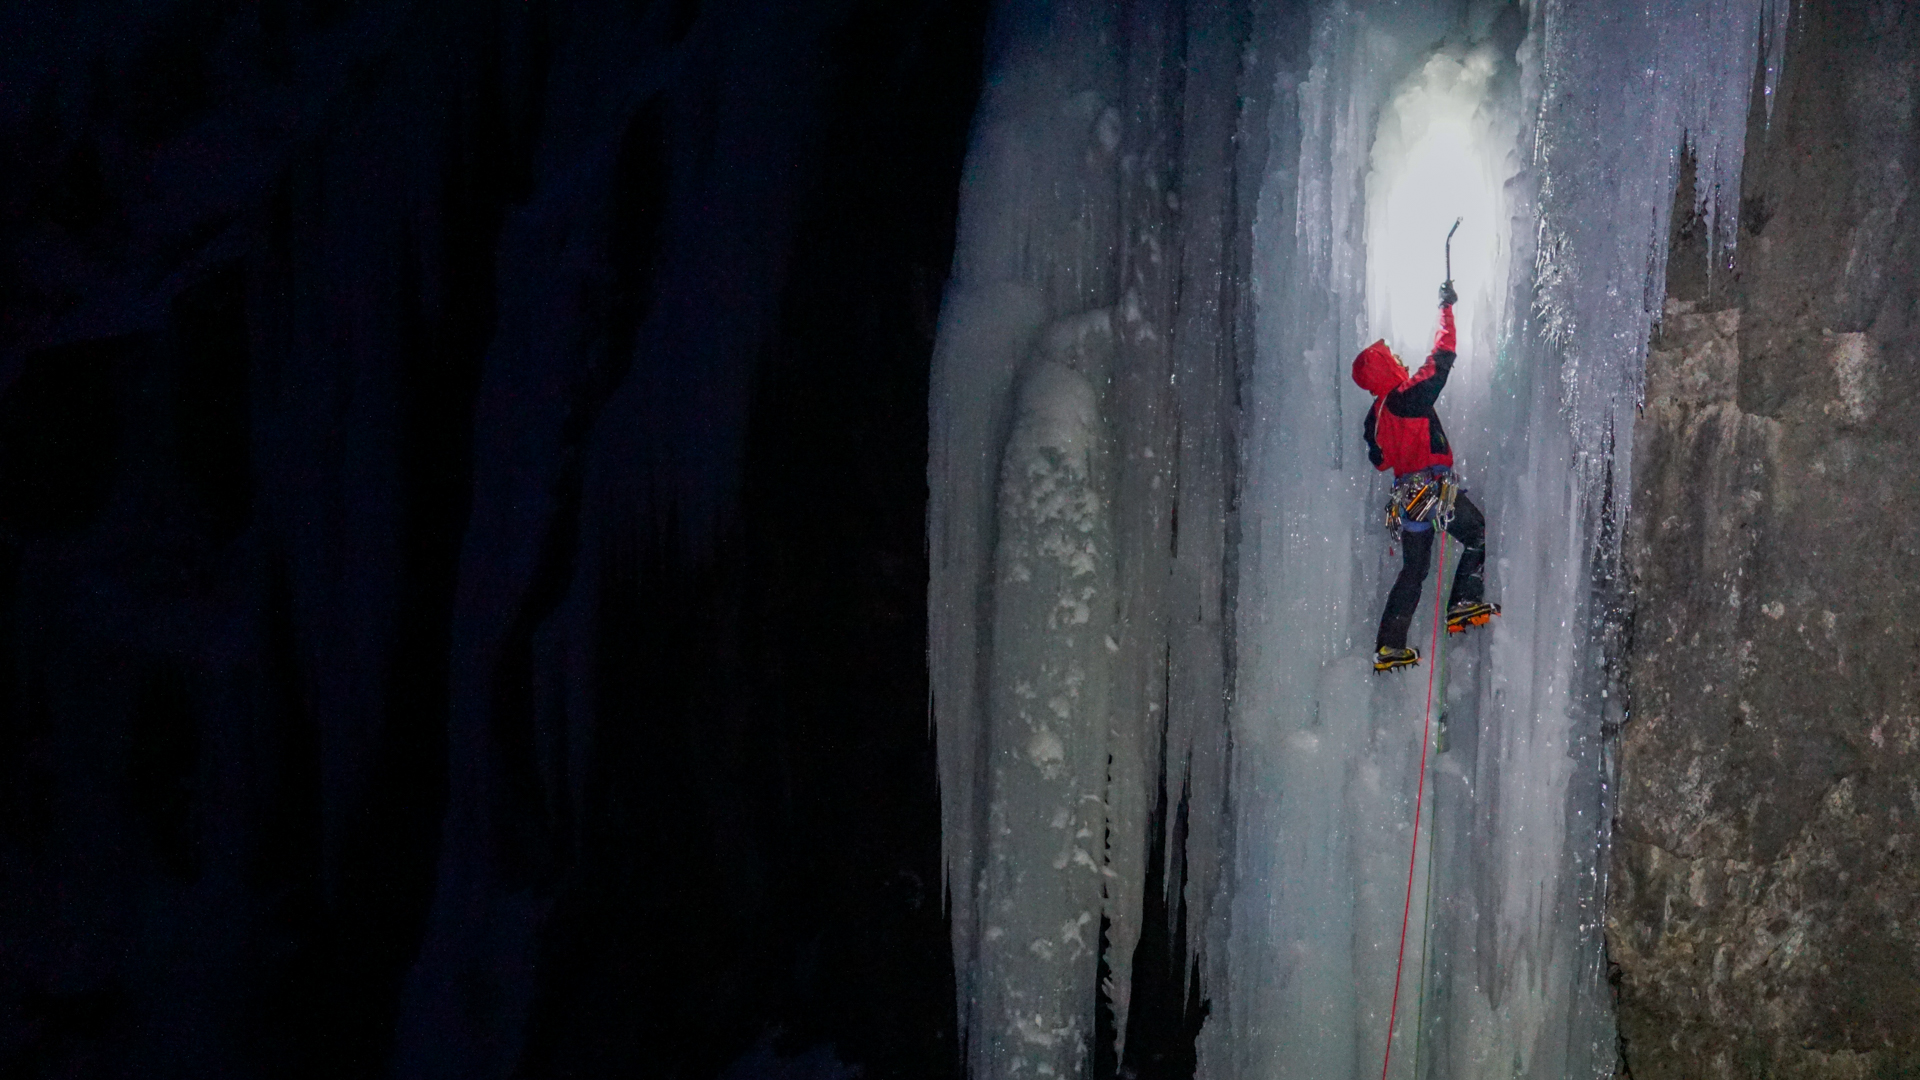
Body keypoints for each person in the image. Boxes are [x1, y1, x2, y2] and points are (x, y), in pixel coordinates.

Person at [1352, 279, 1499, 673]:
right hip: (1430, 490)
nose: (1399, 359)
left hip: (1406, 500)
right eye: (1393, 357)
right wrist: (1445, 309)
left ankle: (1389, 644)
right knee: (1478, 535)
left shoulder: (1377, 415)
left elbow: (1379, 459)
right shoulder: (1404, 398)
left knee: (1414, 571)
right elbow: (1441, 360)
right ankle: (1463, 603)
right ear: (1386, 368)